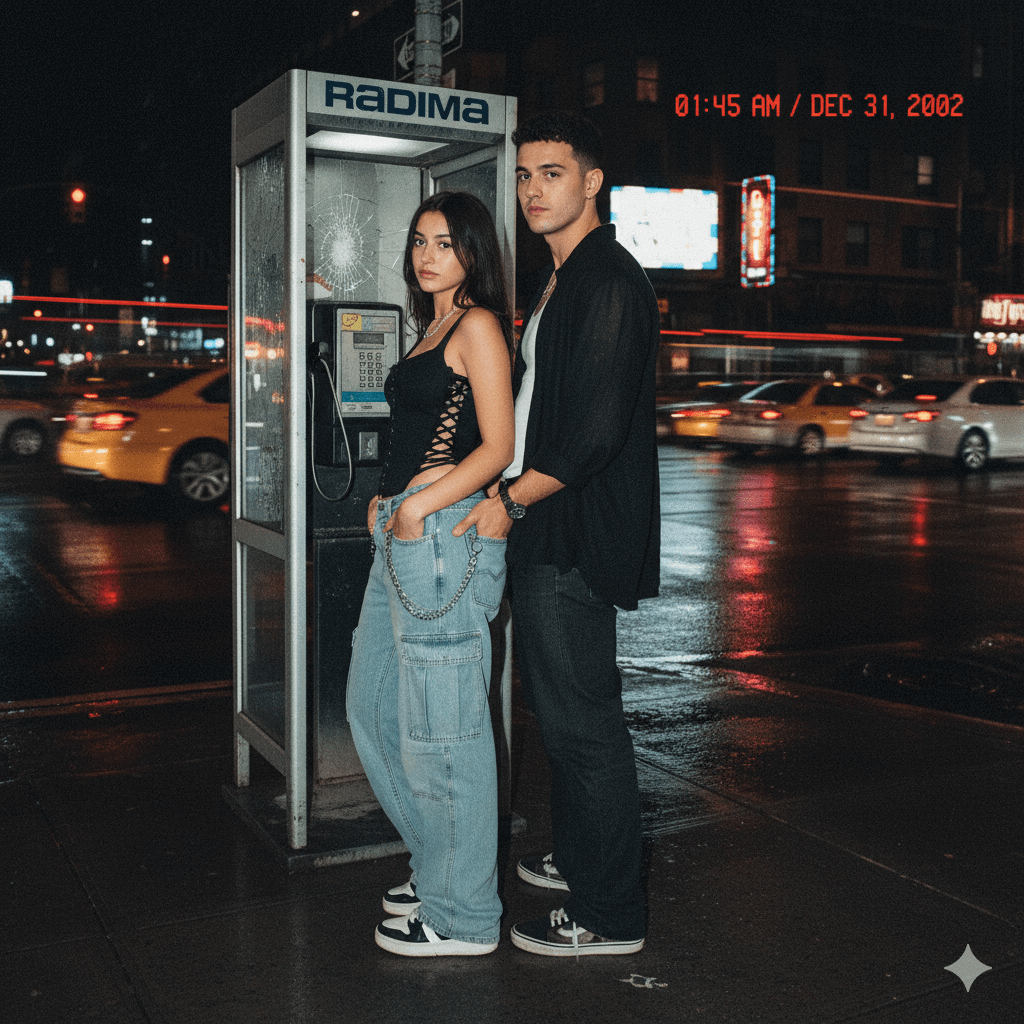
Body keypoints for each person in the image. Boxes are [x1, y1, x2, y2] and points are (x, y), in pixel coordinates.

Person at [453, 112, 661, 955]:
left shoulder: (609, 278)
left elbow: (593, 433)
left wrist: (510, 500)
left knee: (584, 725)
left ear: (592, 182)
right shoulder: (562, 277)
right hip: (549, 522)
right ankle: (582, 857)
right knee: (564, 715)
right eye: (524, 175)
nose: (533, 190)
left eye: (552, 173)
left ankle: (610, 913)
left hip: (571, 530)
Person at [346, 190, 514, 957]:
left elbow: (497, 447)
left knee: (445, 732)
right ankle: (442, 867)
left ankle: (464, 915)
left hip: (440, 534)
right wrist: (387, 499)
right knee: (375, 709)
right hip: (405, 529)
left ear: (473, 252)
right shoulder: (433, 327)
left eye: (445, 242)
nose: (427, 255)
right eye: (419, 241)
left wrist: (417, 505)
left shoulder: (477, 325)